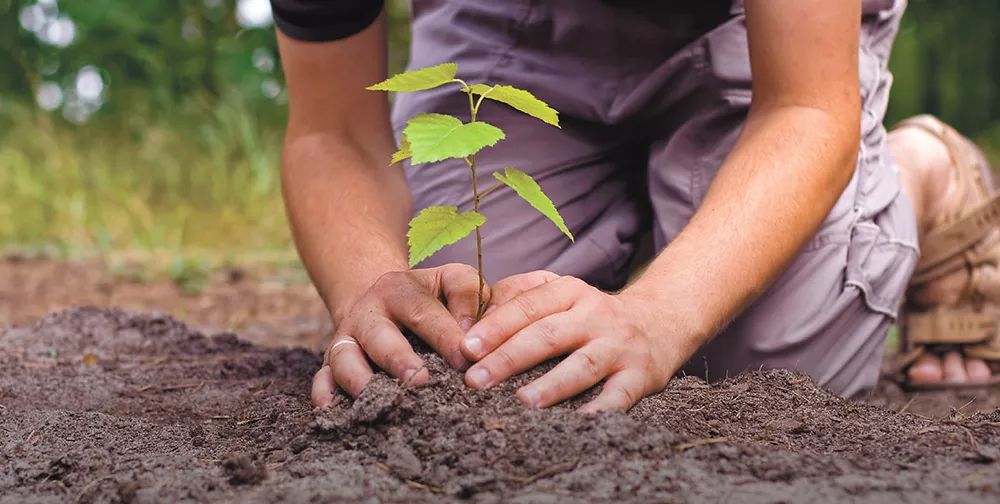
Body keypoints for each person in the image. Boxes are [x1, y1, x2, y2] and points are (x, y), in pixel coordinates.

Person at [271, 0, 1000, 413]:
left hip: (765, 29)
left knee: (764, 371)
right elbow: (332, 131)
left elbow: (805, 106)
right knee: (469, 334)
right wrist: (370, 286)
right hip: (511, 20)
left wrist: (660, 316)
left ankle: (921, 173)